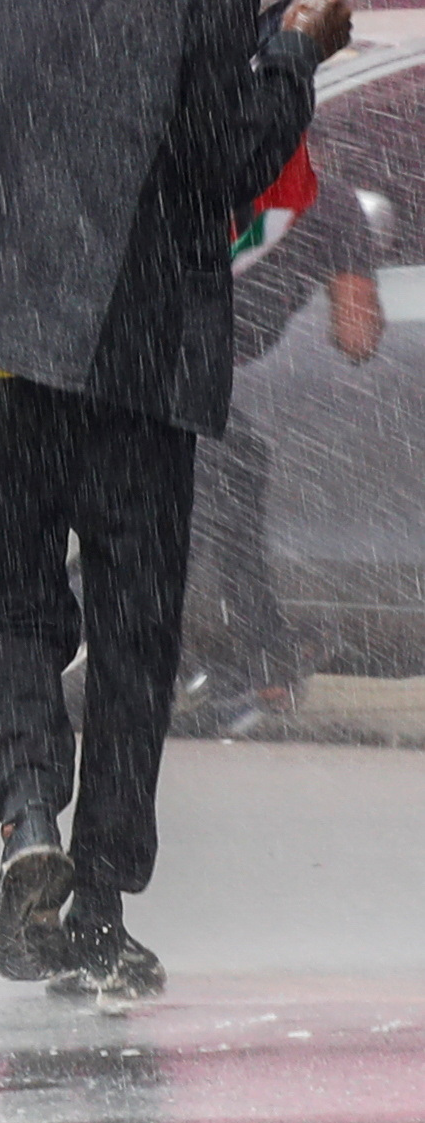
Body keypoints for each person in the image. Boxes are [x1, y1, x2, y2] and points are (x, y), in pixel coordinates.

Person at [0, 0, 347, 1005]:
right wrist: (293, 53)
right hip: (138, 360)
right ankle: (97, 908)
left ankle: (28, 807)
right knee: (135, 635)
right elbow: (228, 165)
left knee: (9, 606)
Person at [184, 146, 386, 733]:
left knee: (220, 485)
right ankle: (264, 659)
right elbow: (356, 336)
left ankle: (264, 659)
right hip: (183, 370)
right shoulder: (329, 200)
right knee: (216, 493)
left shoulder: (194, 165)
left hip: (139, 356)